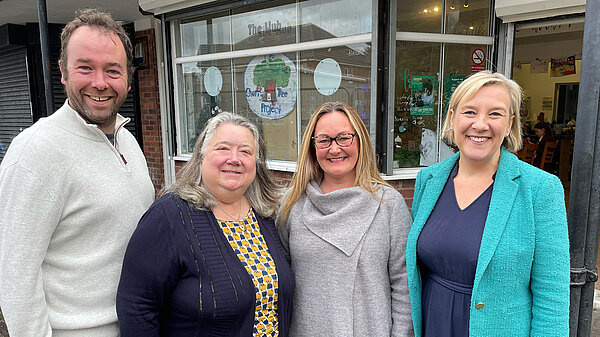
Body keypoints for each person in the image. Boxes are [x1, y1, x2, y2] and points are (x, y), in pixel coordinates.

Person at [0, 9, 155, 337]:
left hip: (137, 325)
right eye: (86, 68)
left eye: (112, 70)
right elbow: (15, 277)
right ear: (63, 73)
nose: (100, 83)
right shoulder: (35, 152)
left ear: (128, 76)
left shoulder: (127, 139)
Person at [406, 71, 569, 336]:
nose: (480, 124)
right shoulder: (429, 179)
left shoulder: (541, 189)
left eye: (495, 114)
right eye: (469, 112)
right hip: (432, 324)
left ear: (509, 124)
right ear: (452, 118)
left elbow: (552, 296)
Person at [116, 112, 294, 336]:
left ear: (256, 164)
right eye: (223, 148)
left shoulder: (265, 215)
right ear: (201, 156)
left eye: (246, 152)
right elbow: (137, 307)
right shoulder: (169, 216)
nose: (234, 158)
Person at [278, 101, 413, 337]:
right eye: (324, 140)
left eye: (344, 138)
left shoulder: (389, 204)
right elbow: (282, 279)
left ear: (359, 141)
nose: (334, 149)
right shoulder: (292, 205)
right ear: (312, 147)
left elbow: (404, 287)